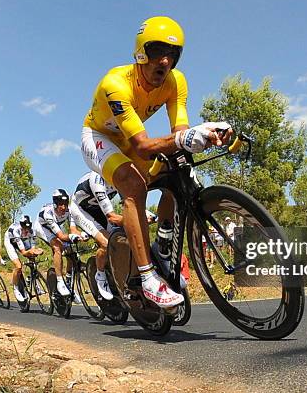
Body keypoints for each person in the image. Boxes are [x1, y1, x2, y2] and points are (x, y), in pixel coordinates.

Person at [80, 16, 232, 308]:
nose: (164, 61)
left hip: (131, 139)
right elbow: (142, 145)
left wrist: (206, 134)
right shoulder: (115, 85)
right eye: (156, 52)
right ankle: (148, 278)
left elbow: (179, 134)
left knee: (177, 166)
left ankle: (162, 244)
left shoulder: (176, 81)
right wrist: (182, 140)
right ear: (140, 52)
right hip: (99, 137)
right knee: (133, 186)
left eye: (173, 55)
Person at [69, 171, 122, 301]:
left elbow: (130, 205)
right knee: (106, 243)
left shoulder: (123, 176)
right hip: (82, 211)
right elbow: (111, 216)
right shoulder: (97, 179)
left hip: (99, 210)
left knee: (123, 238)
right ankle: (100, 274)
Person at [33, 189, 85, 297]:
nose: (63, 207)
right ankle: (60, 281)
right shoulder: (48, 213)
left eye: (65, 204)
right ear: (55, 204)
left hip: (55, 227)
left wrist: (81, 234)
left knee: (70, 250)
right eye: (61, 204)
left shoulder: (68, 211)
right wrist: (71, 237)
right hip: (41, 228)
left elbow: (73, 229)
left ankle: (68, 280)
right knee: (57, 247)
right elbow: (61, 236)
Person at [4, 215, 44, 302]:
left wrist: (36, 251)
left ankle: (33, 281)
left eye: (28, 228)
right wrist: (31, 251)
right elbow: (23, 252)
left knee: (32, 258)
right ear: (21, 225)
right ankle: (16, 288)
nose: (26, 230)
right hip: (10, 242)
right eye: (24, 228)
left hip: (21, 240)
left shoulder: (31, 231)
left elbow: (32, 248)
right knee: (18, 266)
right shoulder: (16, 230)